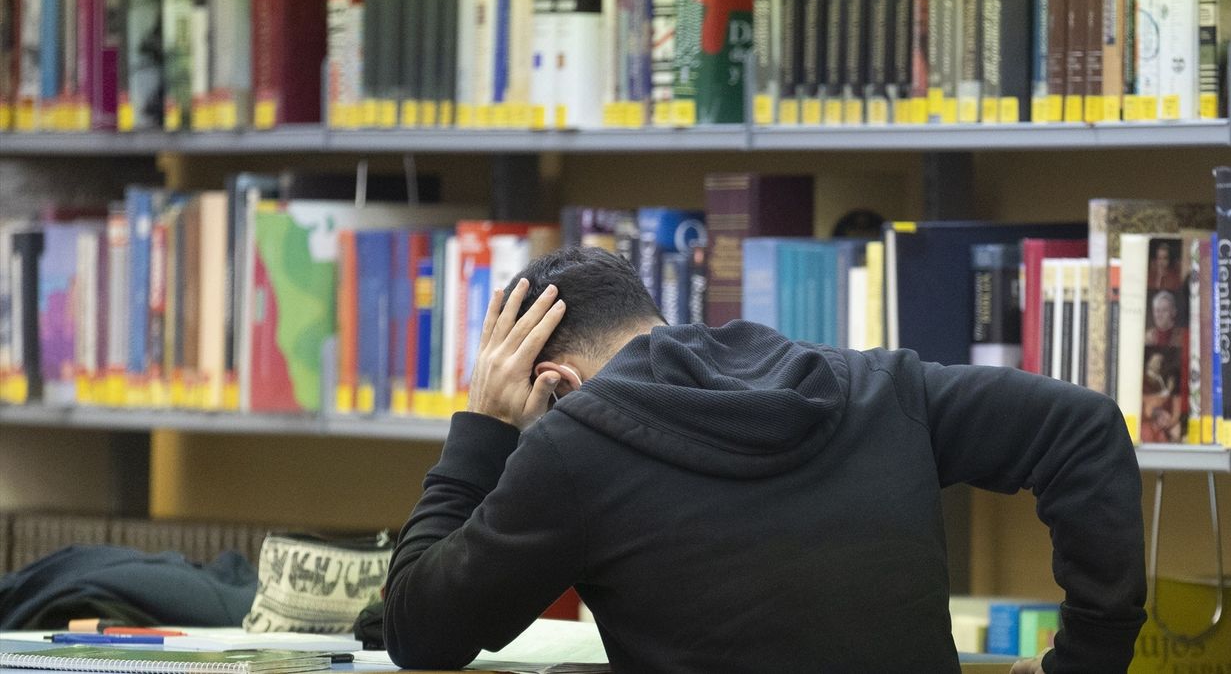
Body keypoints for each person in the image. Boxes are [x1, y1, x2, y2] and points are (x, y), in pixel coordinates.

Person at [384, 247, 1146, 674]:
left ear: (556, 382)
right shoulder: (873, 384)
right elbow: (1084, 427)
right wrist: (1086, 662)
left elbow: (419, 631)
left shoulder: (574, 447)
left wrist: (485, 426)